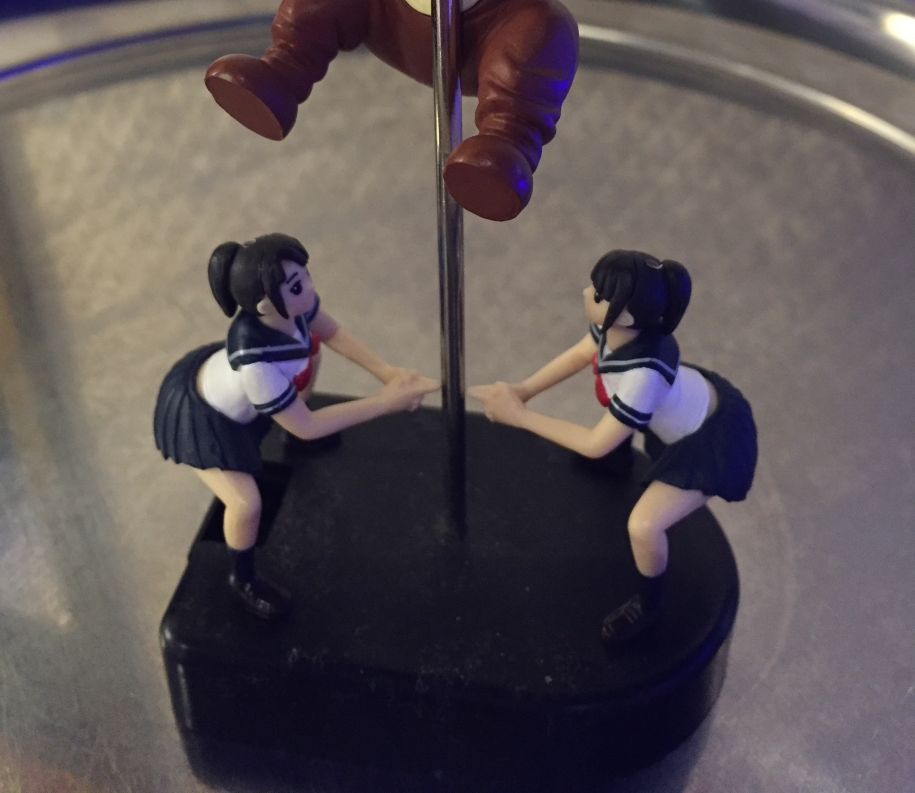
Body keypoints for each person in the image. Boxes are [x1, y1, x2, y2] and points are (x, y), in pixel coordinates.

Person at [471, 250, 757, 647]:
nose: (584, 292)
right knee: (622, 428)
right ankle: (619, 463)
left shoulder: (643, 378)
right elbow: (579, 354)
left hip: (706, 443)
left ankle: (649, 606)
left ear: (625, 315)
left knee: (644, 526)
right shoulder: (619, 331)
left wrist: (519, 416)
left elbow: (595, 442)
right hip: (682, 414)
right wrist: (523, 390)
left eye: (598, 293)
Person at [154, 233, 435, 620]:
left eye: (306, 276)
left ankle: (283, 431)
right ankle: (243, 579)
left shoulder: (291, 309)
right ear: (264, 304)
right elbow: (308, 426)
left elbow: (334, 334)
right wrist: (385, 403)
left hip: (249, 396)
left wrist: (387, 372)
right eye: (298, 285)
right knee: (245, 503)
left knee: (312, 351)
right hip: (207, 420)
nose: (310, 288)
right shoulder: (257, 366)